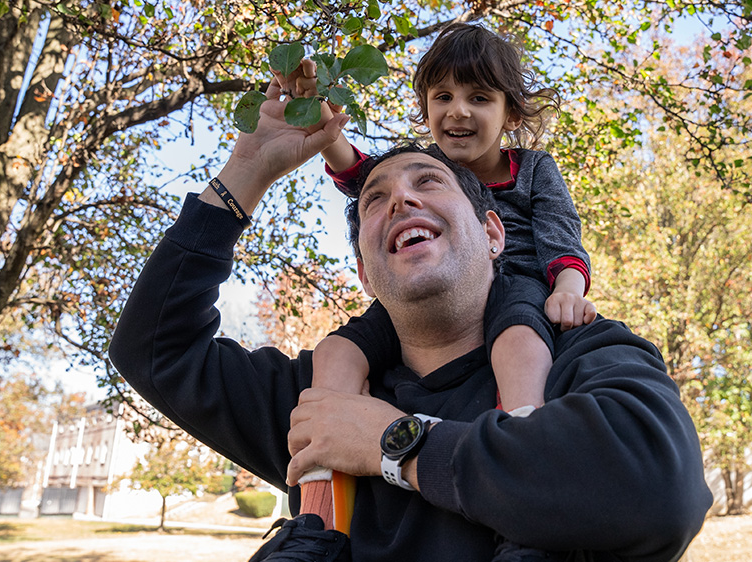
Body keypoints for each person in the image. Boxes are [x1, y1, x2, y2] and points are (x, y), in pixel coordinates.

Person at [108, 71, 712, 561]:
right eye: (375, 199)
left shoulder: (576, 354)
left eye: (430, 181)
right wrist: (248, 170)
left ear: (493, 232)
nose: (401, 197)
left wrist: (390, 444)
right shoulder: (320, 405)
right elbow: (154, 350)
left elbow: (661, 489)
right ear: (366, 273)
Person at [285, 23, 598, 535]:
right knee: (337, 351)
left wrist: (567, 288)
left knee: (518, 340)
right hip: (420, 299)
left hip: (513, 285)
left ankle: (519, 463)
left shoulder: (533, 169)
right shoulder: (420, 170)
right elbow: (359, 175)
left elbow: (560, 232)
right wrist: (322, 120)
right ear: (426, 109)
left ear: (509, 113)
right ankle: (319, 511)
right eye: (444, 96)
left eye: (479, 97)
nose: (459, 110)